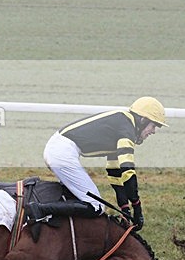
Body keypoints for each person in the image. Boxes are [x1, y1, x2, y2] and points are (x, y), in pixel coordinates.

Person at [28, 97, 168, 230]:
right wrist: (137, 209)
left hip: (59, 148)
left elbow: (115, 174)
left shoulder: (123, 123)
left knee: (79, 197)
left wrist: (125, 208)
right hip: (62, 152)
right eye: (153, 125)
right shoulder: (126, 130)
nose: (153, 131)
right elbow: (128, 172)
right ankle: (40, 210)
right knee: (96, 206)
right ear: (143, 120)